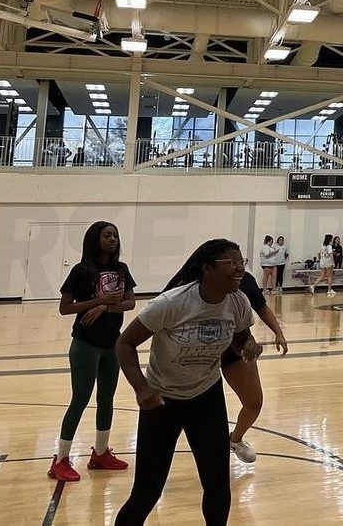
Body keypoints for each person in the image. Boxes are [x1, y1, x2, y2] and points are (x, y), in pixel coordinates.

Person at [114, 239, 259, 525]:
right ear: (207, 268)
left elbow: (241, 337)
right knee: (147, 492)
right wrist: (141, 388)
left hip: (206, 397)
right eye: (231, 263)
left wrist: (249, 344)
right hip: (162, 401)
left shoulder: (239, 301)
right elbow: (125, 343)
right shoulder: (172, 303)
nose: (239, 269)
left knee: (218, 487)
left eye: (241, 262)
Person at [49, 221, 137, 482]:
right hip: (86, 344)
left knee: (107, 399)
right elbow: (65, 308)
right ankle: (60, 459)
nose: (113, 239)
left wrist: (106, 309)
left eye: (115, 235)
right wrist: (99, 301)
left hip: (113, 345)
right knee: (80, 399)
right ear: (94, 239)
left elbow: (130, 303)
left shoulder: (122, 269)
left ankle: (100, 453)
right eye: (107, 235)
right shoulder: (81, 270)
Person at [212, 266, 288, 463]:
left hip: (238, 346)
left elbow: (261, 306)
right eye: (232, 260)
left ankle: (235, 440)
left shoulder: (245, 280)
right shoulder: (201, 283)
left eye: (240, 260)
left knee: (254, 402)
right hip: (204, 348)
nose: (238, 265)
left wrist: (278, 333)